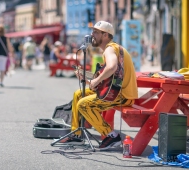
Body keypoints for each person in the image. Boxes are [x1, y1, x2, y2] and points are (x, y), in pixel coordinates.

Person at [57, 21, 138, 150]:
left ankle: (111, 136)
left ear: (105, 35)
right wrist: (89, 77)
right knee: (78, 94)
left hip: (122, 96)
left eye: (95, 32)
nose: (92, 34)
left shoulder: (110, 48)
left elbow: (112, 67)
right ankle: (77, 135)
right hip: (116, 92)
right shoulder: (113, 49)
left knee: (83, 104)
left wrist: (95, 80)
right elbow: (109, 79)